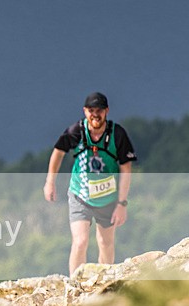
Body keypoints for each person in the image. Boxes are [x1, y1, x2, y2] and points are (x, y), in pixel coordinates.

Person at [43, 92, 137, 276]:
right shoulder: (76, 131)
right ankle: (75, 286)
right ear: (85, 111)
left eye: (99, 110)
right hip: (80, 195)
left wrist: (122, 203)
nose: (95, 115)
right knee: (80, 242)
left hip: (108, 199)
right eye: (91, 110)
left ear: (107, 111)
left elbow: (126, 169)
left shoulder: (117, 134)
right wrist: (50, 182)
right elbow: (58, 152)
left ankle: (104, 282)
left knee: (105, 243)